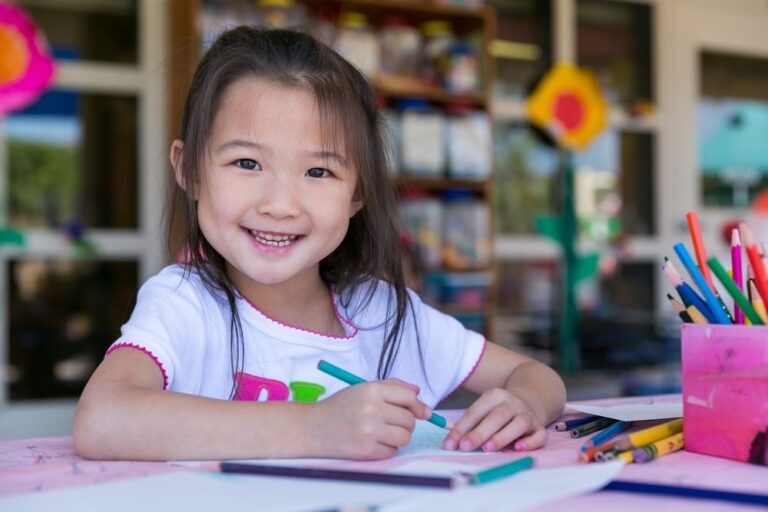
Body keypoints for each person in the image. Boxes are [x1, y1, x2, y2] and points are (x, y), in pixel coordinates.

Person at [73, 27, 565, 461]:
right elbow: (102, 420)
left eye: (318, 171)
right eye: (247, 163)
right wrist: (316, 426)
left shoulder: (383, 313)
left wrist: (524, 404)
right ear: (189, 171)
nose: (281, 204)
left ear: (357, 194)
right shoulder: (185, 304)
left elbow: (534, 374)